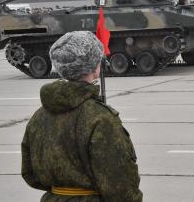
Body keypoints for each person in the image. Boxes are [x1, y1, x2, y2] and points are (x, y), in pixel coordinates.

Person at [21, 31, 143, 202]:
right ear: (94, 68)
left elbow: (29, 173)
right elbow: (120, 185)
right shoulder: (100, 118)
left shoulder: (39, 116)